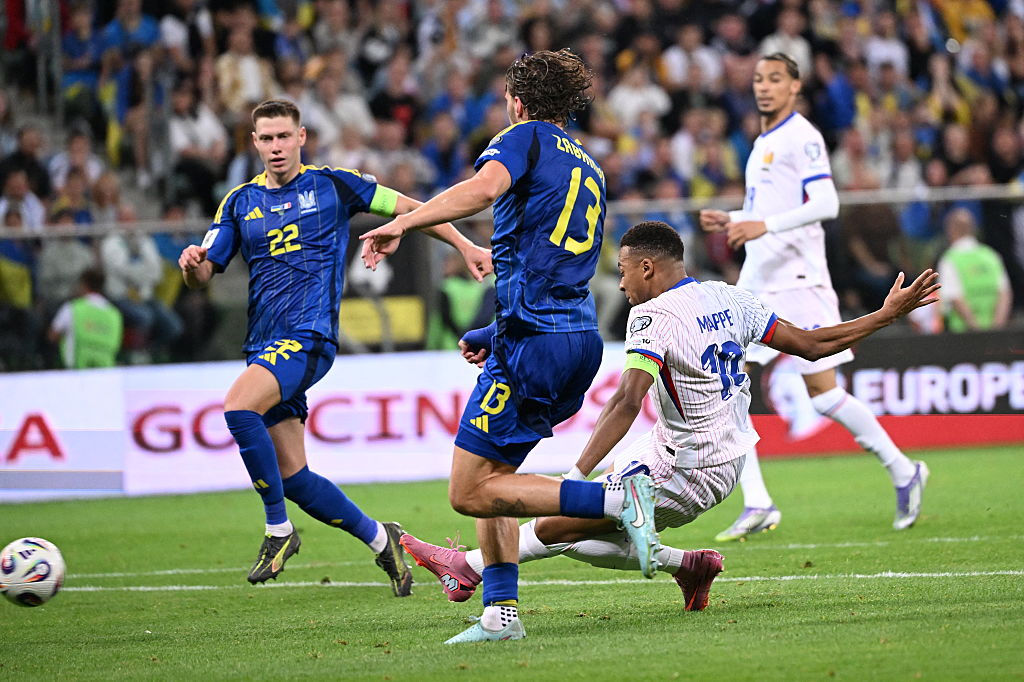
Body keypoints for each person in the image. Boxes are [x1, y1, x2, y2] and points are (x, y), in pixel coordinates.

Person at [399, 221, 940, 611]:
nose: (622, 284)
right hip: (703, 452)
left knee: (555, 525)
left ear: (647, 267)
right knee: (590, 523)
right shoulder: (731, 297)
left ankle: (469, 567)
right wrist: (885, 315)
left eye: (623, 272)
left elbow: (626, 400)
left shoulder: (651, 318)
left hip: (687, 469)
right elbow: (813, 345)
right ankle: (686, 567)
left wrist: (576, 475)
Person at [359, 50, 660, 644]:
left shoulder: (524, 138)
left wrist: (403, 223)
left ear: (518, 102)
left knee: (467, 491)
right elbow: (555, 264)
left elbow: (483, 189)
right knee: (497, 476)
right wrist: (496, 333)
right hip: (574, 336)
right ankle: (501, 615)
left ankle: (612, 499)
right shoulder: (590, 166)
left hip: (537, 340)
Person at [177, 99, 492, 595]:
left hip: (309, 336)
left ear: (301, 137)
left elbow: (413, 209)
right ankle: (382, 539)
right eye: (267, 138)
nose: (276, 147)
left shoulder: (334, 184)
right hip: (263, 344)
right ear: (254, 143)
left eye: (284, 136)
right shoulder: (238, 202)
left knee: (238, 407)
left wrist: (466, 245)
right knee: (294, 477)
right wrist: (192, 265)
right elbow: (203, 275)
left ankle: (278, 530)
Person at [700, 53, 930, 541]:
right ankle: (758, 501)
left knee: (823, 396)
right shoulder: (763, 141)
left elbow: (827, 203)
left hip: (800, 280)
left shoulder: (802, 136)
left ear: (795, 86)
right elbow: (769, 208)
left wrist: (762, 225)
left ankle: (903, 469)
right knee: (725, 385)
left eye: (775, 78)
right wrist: (735, 218)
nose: (764, 86)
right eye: (758, 79)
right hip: (760, 280)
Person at [936, 207, 1013, 331]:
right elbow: (1004, 294)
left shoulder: (949, 260)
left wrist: (976, 330)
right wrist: (997, 327)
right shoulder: (991, 256)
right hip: (995, 333)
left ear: (950, 230)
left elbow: (954, 298)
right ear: (973, 228)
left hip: (964, 334)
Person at [47, 268, 123, 369]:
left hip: (76, 370)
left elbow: (52, 336)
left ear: (84, 285)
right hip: (105, 372)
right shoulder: (115, 314)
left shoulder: (72, 308)